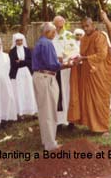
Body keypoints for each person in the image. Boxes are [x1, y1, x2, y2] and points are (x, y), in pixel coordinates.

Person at [68, 17, 111, 137]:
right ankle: (92, 125)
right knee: (87, 99)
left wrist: (85, 58)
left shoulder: (100, 36)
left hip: (98, 73)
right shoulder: (83, 39)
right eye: (83, 27)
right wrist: (78, 59)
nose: (85, 28)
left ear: (92, 25)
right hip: (86, 73)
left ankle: (103, 127)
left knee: (99, 99)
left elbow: (102, 55)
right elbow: (83, 54)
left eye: (87, 26)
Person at [32, 22, 72, 150]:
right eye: (53, 31)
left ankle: (47, 140)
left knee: (44, 111)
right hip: (46, 78)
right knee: (49, 112)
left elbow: (49, 60)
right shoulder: (47, 43)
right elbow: (53, 65)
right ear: (47, 32)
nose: (55, 34)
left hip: (40, 77)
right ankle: (50, 145)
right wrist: (69, 64)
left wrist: (61, 60)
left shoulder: (40, 42)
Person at [52, 15, 75, 127]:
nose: (59, 28)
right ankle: (59, 121)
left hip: (67, 70)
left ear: (64, 24)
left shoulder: (70, 35)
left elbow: (74, 49)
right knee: (58, 94)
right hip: (56, 70)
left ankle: (71, 120)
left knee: (69, 93)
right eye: (57, 26)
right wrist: (56, 57)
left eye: (61, 25)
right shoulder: (51, 36)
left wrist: (64, 56)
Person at [9, 33, 38, 118]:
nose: (19, 42)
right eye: (17, 41)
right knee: (19, 91)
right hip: (17, 74)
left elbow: (30, 61)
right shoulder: (12, 51)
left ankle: (32, 111)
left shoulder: (27, 50)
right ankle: (20, 112)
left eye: (21, 40)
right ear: (15, 41)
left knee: (29, 90)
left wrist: (21, 62)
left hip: (27, 73)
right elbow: (13, 63)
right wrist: (22, 62)